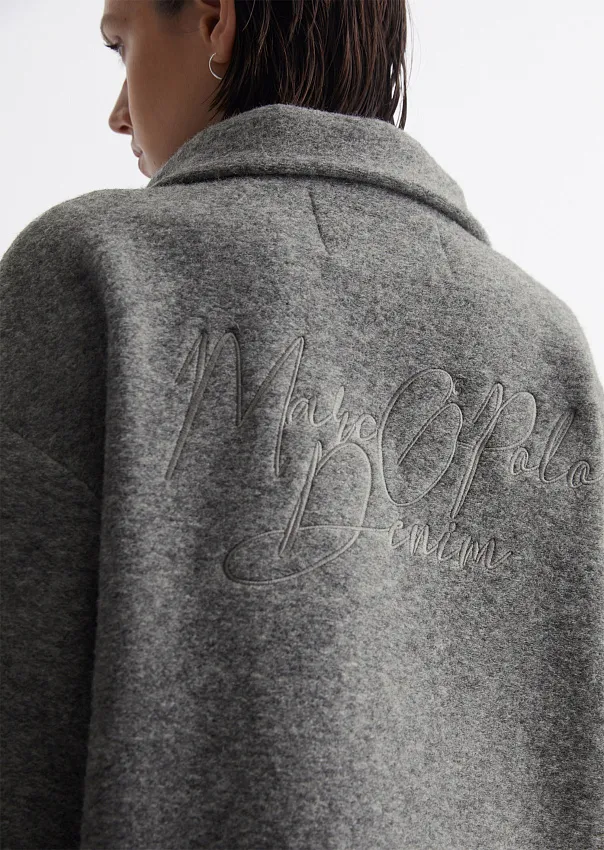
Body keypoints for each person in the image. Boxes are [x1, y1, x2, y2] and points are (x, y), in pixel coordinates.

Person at [1, 0, 602, 848]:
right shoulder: (545, 343)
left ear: (215, 19)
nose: (119, 113)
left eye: (120, 44)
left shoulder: (95, 271)